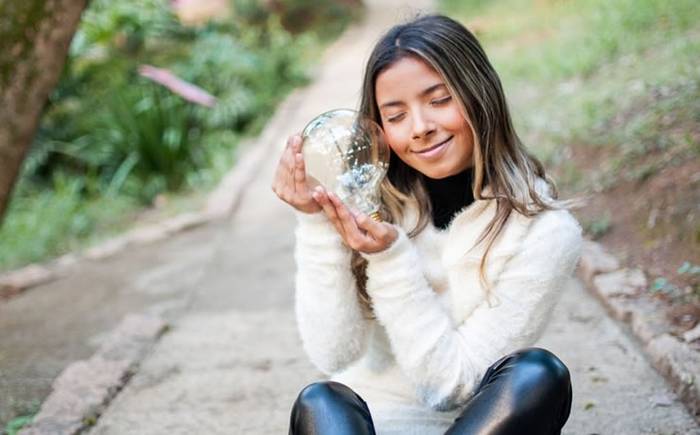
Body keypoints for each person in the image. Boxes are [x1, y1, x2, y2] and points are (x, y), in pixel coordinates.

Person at [272, 13, 582, 435]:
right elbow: (334, 354)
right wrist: (314, 225)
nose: (420, 129)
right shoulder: (366, 205)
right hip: (370, 425)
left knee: (539, 375)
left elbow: (450, 386)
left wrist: (390, 260)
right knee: (320, 400)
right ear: (379, 128)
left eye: (439, 101)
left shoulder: (545, 232)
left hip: (476, 425)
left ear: (479, 94)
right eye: (396, 116)